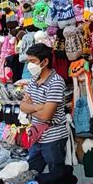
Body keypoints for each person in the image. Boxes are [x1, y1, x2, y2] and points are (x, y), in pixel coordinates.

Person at [20, 43, 69, 174]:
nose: (30, 65)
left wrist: (30, 108)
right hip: (36, 135)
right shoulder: (34, 79)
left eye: (33, 61)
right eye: (28, 61)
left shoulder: (56, 82)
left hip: (53, 137)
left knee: (56, 174)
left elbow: (47, 115)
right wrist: (38, 107)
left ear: (45, 61)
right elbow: (22, 106)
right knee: (31, 172)